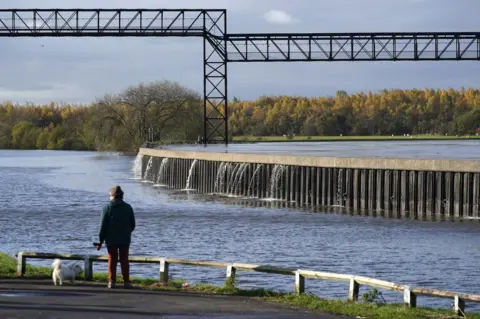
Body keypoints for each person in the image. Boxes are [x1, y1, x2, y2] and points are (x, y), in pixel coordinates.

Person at [97, 186, 136, 289]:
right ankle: (126, 282)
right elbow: (133, 224)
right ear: (121, 196)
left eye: (109, 196)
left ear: (112, 196)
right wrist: (127, 232)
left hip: (111, 239)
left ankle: (111, 281)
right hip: (125, 238)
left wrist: (100, 240)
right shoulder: (128, 207)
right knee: (124, 260)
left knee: (112, 260)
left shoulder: (106, 207)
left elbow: (102, 226)